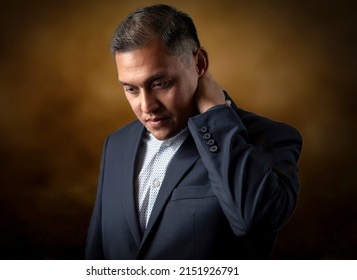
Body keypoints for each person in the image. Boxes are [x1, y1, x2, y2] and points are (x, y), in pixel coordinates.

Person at [86, 4, 302, 260]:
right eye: (131, 89)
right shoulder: (116, 145)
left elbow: (254, 222)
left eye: (160, 83)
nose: (146, 106)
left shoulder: (268, 138)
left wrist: (215, 116)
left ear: (199, 64)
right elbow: (97, 254)